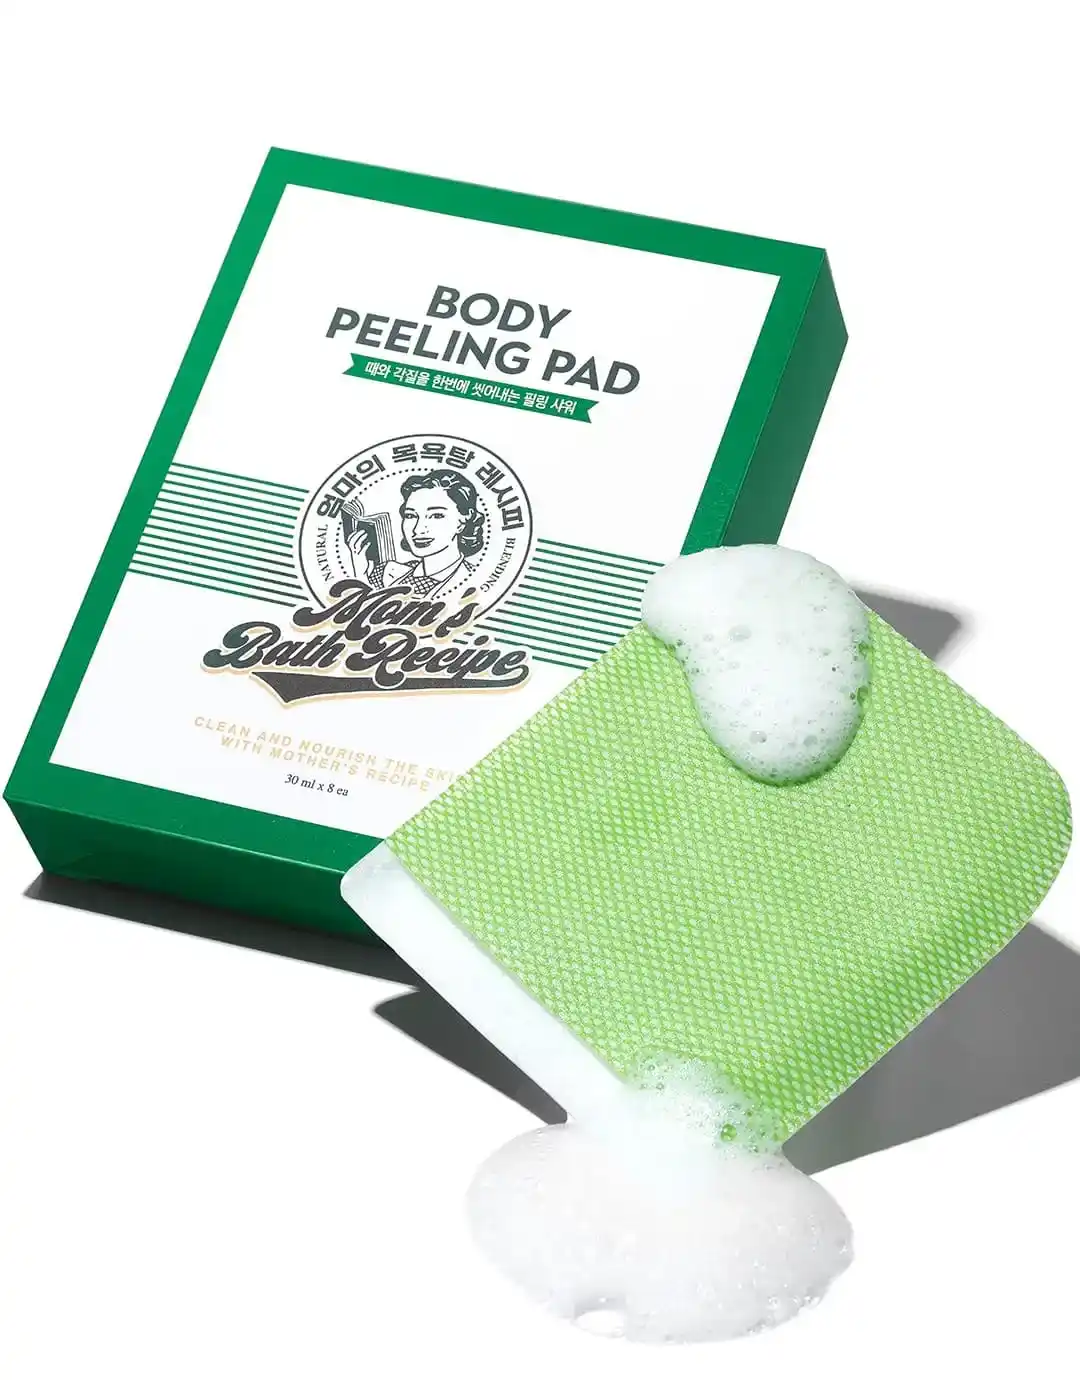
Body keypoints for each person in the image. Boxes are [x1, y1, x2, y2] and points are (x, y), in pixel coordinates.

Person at [346, 468, 484, 599]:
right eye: (411, 516)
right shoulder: (385, 573)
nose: (418, 529)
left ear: (462, 521)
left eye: (436, 516)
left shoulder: (475, 580)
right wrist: (360, 574)